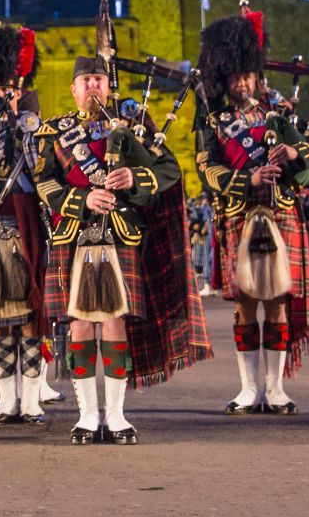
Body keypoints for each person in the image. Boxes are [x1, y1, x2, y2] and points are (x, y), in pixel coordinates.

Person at [35, 53, 207, 444]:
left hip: (121, 233)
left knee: (114, 322)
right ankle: (85, 415)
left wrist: (133, 175)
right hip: (74, 235)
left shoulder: (133, 129)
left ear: (108, 86)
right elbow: (44, 182)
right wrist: (81, 201)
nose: (93, 86)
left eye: (99, 79)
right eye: (86, 81)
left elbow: (169, 171)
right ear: (74, 89)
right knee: (79, 323)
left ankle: (115, 415)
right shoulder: (53, 132)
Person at [193, 11, 309, 417]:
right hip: (240, 214)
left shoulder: (279, 114)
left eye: (247, 75)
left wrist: (296, 153)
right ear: (224, 80)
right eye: (234, 77)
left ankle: (276, 388)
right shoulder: (215, 121)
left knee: (278, 301)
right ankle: (249, 389)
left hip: (279, 211)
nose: (241, 83)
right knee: (246, 302)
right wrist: (246, 179)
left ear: (257, 75)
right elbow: (208, 170)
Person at [0, 24, 53, 427]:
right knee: (0, 318)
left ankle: (32, 398)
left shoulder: (38, 127)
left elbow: (40, 170)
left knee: (29, 318)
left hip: (27, 224)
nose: (1, 94)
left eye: (8, 87)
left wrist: (23, 121)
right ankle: (5, 398)